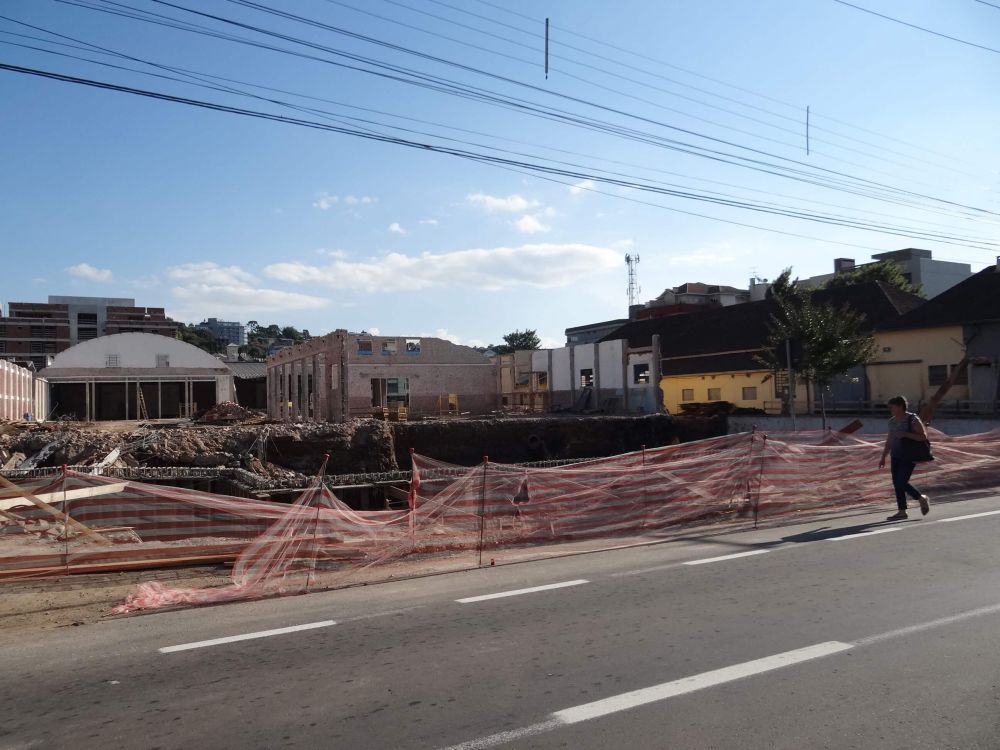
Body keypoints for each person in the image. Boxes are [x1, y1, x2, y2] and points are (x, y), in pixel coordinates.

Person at [878, 395, 930, 521]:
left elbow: (923, 437)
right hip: (895, 455)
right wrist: (883, 456)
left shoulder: (912, 419)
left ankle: (921, 498)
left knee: (901, 481)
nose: (890, 409)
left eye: (892, 407)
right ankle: (902, 511)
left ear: (900, 406)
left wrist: (905, 434)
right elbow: (889, 440)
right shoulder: (891, 421)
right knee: (897, 484)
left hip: (909, 455)